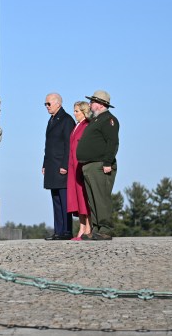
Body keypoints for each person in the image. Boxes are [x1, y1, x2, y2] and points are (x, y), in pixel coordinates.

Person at [76, 90, 120, 241]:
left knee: (101, 198)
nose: (90, 104)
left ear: (101, 105)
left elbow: (112, 143)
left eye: (92, 102)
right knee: (92, 199)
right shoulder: (96, 120)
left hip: (100, 165)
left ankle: (105, 229)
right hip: (89, 165)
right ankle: (96, 228)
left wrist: (107, 162)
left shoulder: (108, 120)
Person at [42, 92, 75, 240]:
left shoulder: (67, 120)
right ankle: (58, 231)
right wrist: (44, 164)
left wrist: (65, 165)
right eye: (45, 104)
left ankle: (67, 231)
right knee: (56, 199)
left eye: (49, 104)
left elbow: (69, 145)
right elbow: (48, 146)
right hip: (51, 166)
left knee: (64, 199)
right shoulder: (52, 120)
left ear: (58, 103)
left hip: (61, 167)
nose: (47, 107)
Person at [67, 101, 92, 241]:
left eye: (77, 111)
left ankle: (88, 228)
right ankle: (81, 228)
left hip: (80, 165)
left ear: (83, 111)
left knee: (84, 198)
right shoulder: (77, 126)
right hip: (73, 166)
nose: (74, 113)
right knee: (76, 198)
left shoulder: (86, 125)